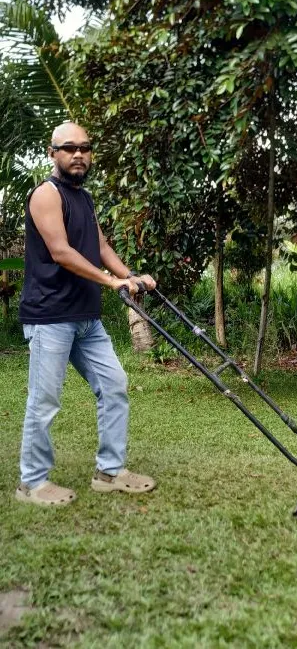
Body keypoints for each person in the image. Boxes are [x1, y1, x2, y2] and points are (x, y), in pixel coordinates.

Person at [17, 121, 157, 507]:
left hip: (86, 318)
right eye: (68, 147)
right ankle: (32, 482)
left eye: (85, 147)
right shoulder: (47, 194)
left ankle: (110, 472)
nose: (78, 153)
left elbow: (99, 245)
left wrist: (129, 276)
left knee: (114, 385)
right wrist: (110, 282)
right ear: (53, 153)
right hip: (51, 317)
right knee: (44, 401)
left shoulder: (85, 197)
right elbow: (61, 252)